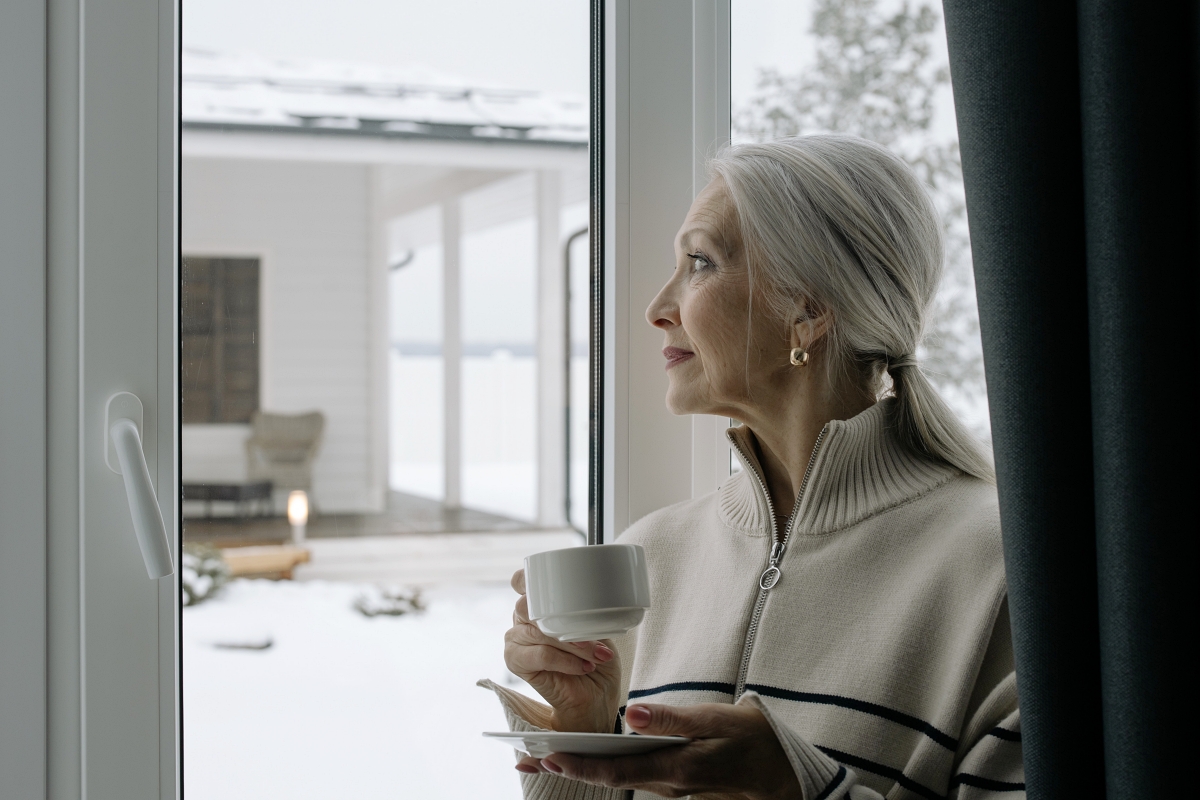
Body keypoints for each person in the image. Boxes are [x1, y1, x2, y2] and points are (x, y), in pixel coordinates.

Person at [480, 135, 1022, 799]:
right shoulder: (652, 555)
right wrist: (583, 734)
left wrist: (805, 790)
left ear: (807, 311)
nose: (657, 309)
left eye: (699, 263)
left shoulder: (1005, 575)